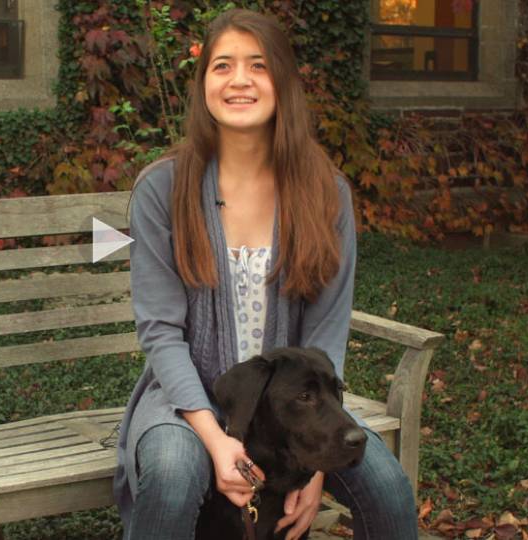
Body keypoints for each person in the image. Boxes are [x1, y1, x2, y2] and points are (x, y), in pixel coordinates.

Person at [112, 8, 418, 540]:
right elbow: (161, 332)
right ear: (204, 82)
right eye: (222, 66)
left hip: (296, 404)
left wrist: (317, 461)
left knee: (388, 487)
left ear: (283, 82)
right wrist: (215, 438)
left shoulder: (326, 192)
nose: (239, 81)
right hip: (188, 399)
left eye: (257, 65)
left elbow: (325, 336)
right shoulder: (163, 189)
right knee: (171, 472)